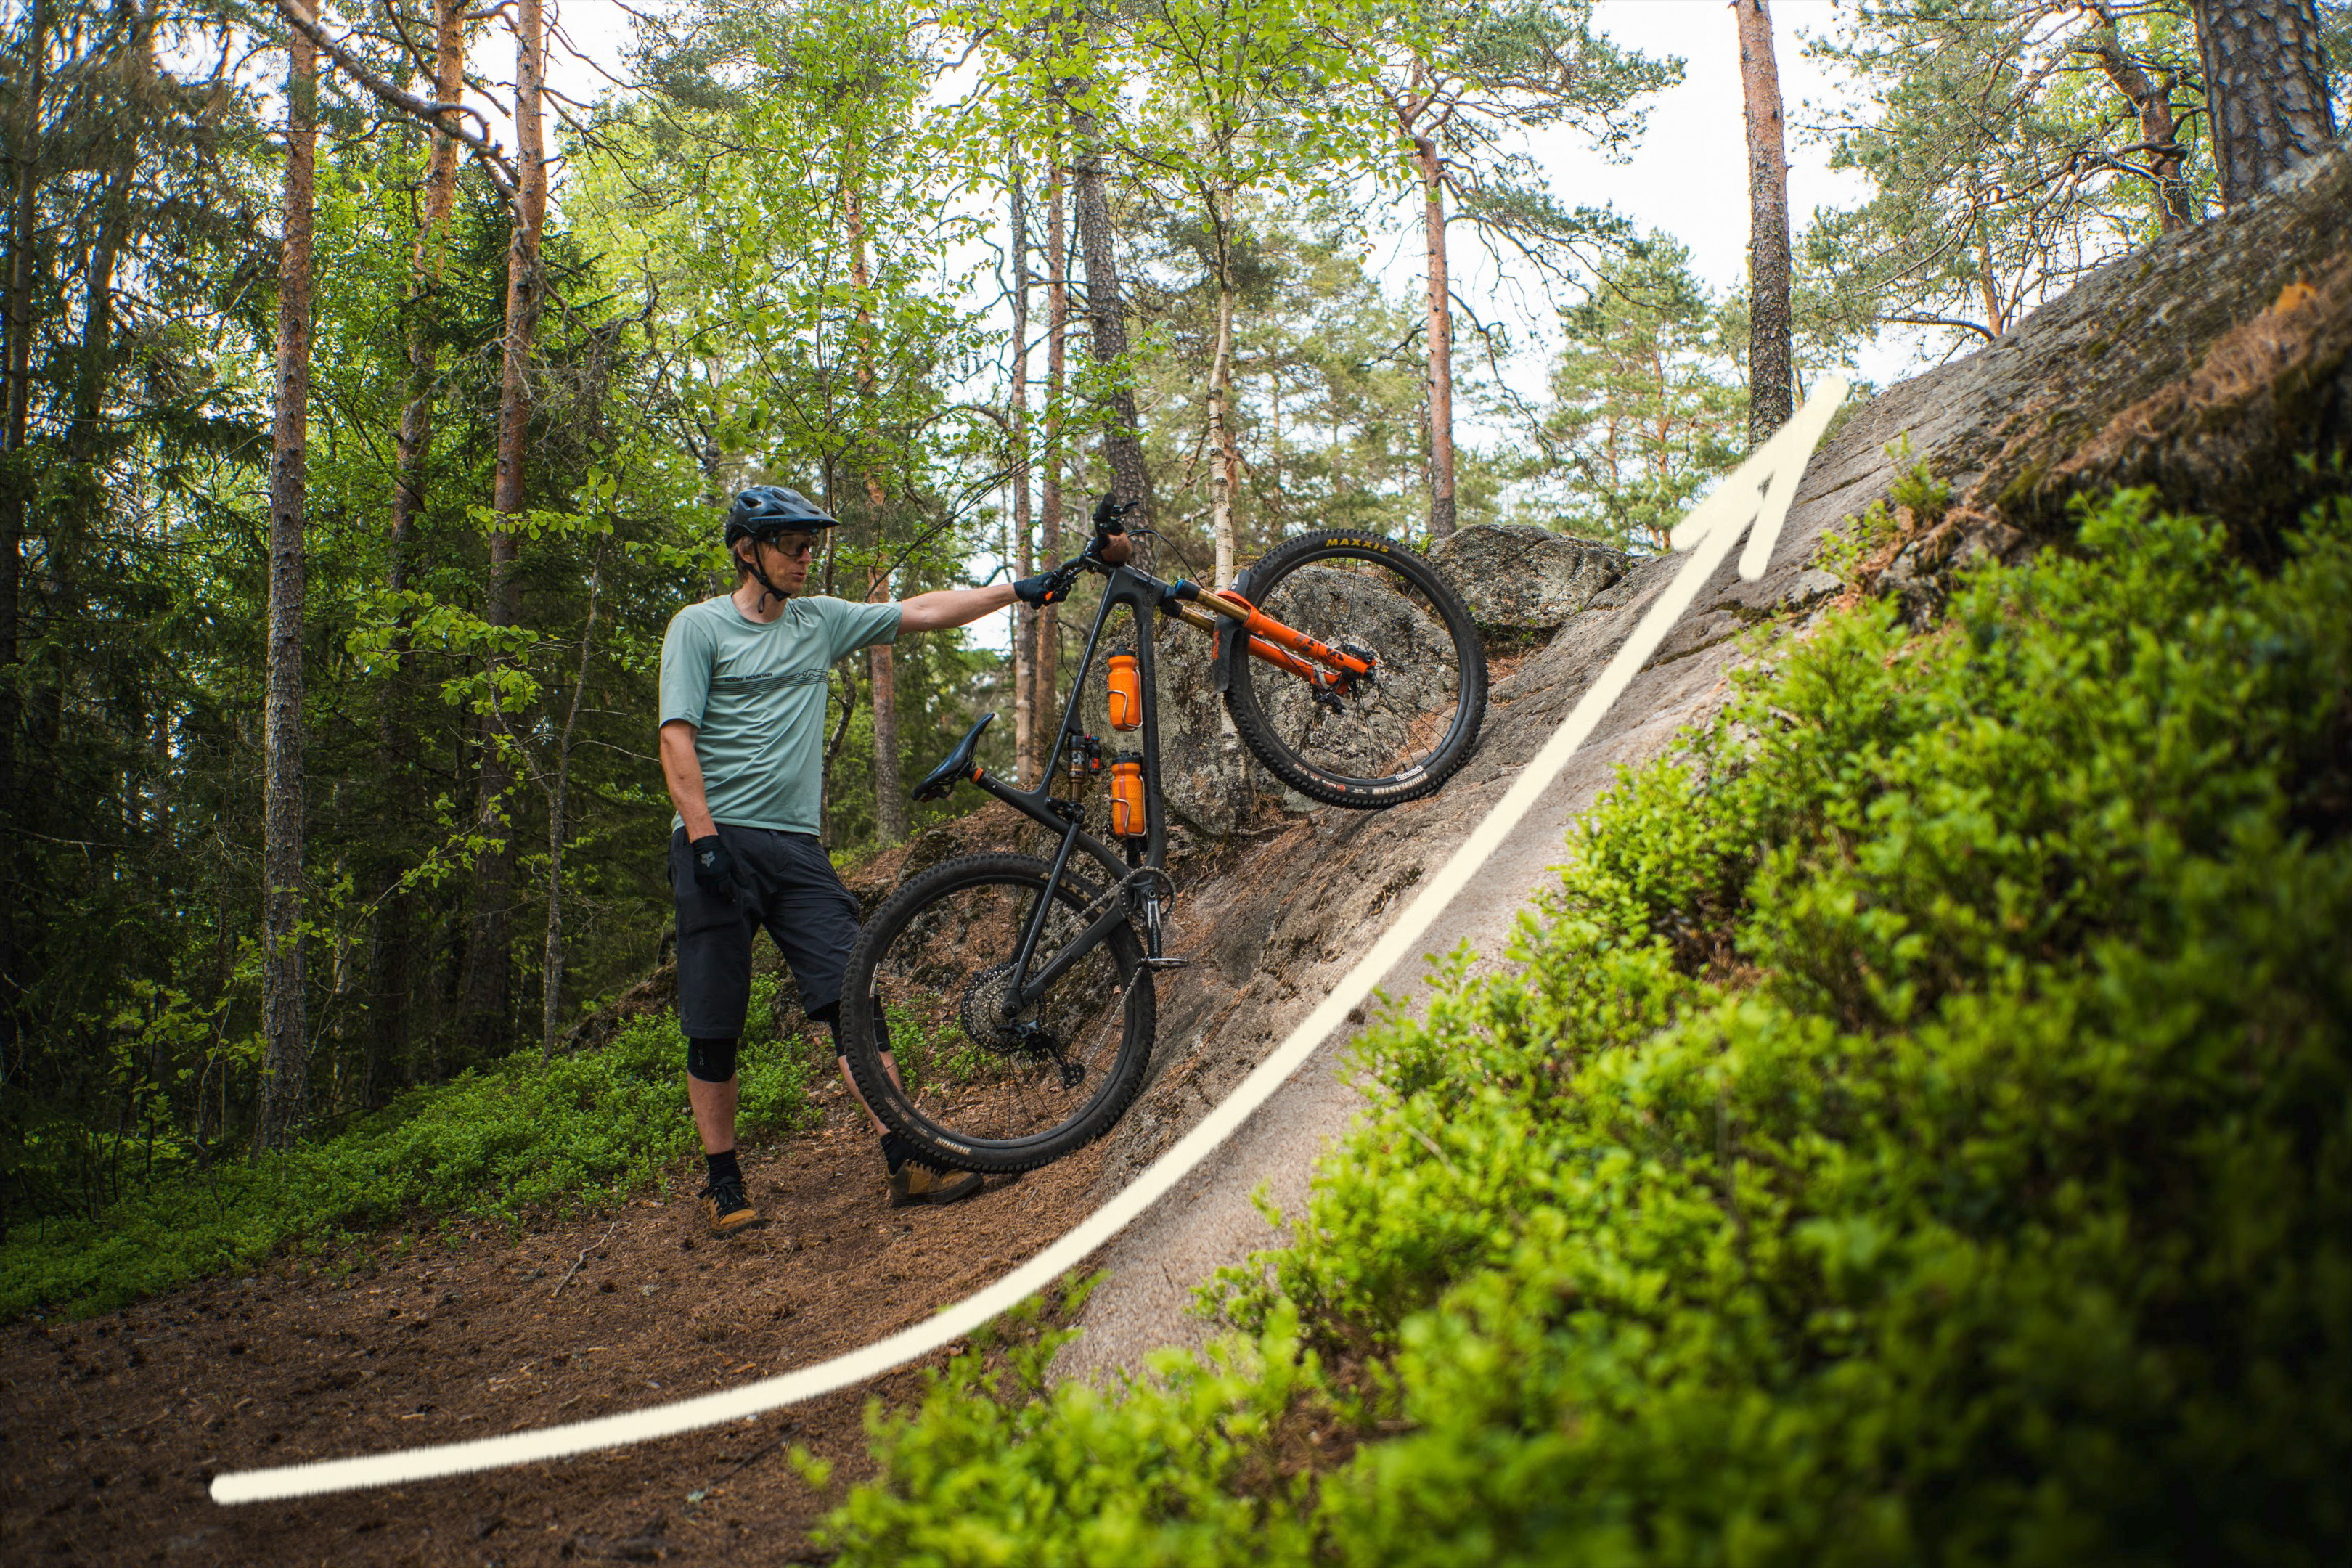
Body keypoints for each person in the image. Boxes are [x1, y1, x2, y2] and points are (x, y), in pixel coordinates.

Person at [658, 484, 1071, 1236]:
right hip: (715, 841)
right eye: (792, 544)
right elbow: (675, 739)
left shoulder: (819, 621)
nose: (806, 557)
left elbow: (921, 611)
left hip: (796, 849)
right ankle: (723, 1182)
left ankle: (907, 1160)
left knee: (854, 995)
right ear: (748, 549)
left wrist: (1016, 589)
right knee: (715, 1023)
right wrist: (705, 839)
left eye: (811, 544)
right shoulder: (699, 628)